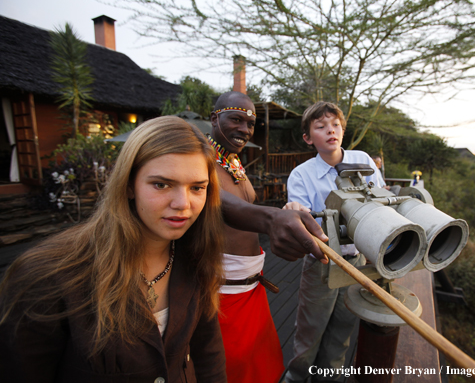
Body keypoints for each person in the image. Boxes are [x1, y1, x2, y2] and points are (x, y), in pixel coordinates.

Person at [0, 116, 227, 382]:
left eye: (197, 187)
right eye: (161, 184)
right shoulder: (47, 276)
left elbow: (208, 356)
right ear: (129, 184)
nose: (182, 203)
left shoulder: (197, 259)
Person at [283, 102, 385, 383]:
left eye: (335, 124)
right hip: (322, 262)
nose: (331, 130)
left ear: (343, 129)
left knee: (343, 328)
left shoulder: (363, 160)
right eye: (321, 126)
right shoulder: (301, 175)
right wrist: (295, 213)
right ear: (308, 137)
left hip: (359, 261)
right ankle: (296, 378)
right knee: (310, 330)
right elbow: (302, 222)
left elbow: (381, 204)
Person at [207, 91, 287, 383]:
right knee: (230, 368)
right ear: (214, 118)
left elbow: (246, 207)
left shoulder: (235, 162)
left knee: (261, 365)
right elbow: (220, 204)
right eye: (236, 119)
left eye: (250, 123)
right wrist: (272, 219)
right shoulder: (200, 162)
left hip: (253, 285)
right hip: (221, 292)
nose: (244, 129)